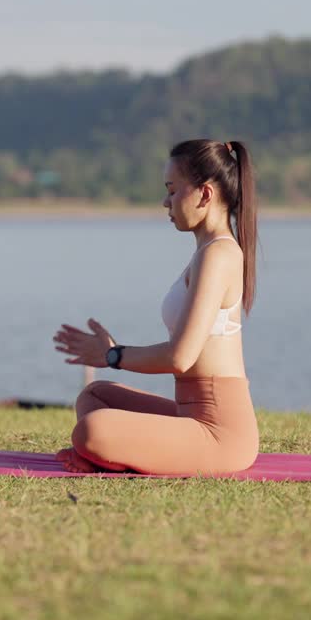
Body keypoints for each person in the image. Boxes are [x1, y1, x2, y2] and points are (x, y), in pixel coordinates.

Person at [51, 139, 259, 475]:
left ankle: (106, 454)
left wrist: (113, 355)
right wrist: (111, 355)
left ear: (205, 195)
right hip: (187, 414)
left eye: (173, 190)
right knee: (96, 396)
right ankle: (110, 454)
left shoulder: (219, 255)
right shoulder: (206, 253)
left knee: (92, 430)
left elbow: (181, 357)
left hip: (221, 433)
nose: (166, 202)